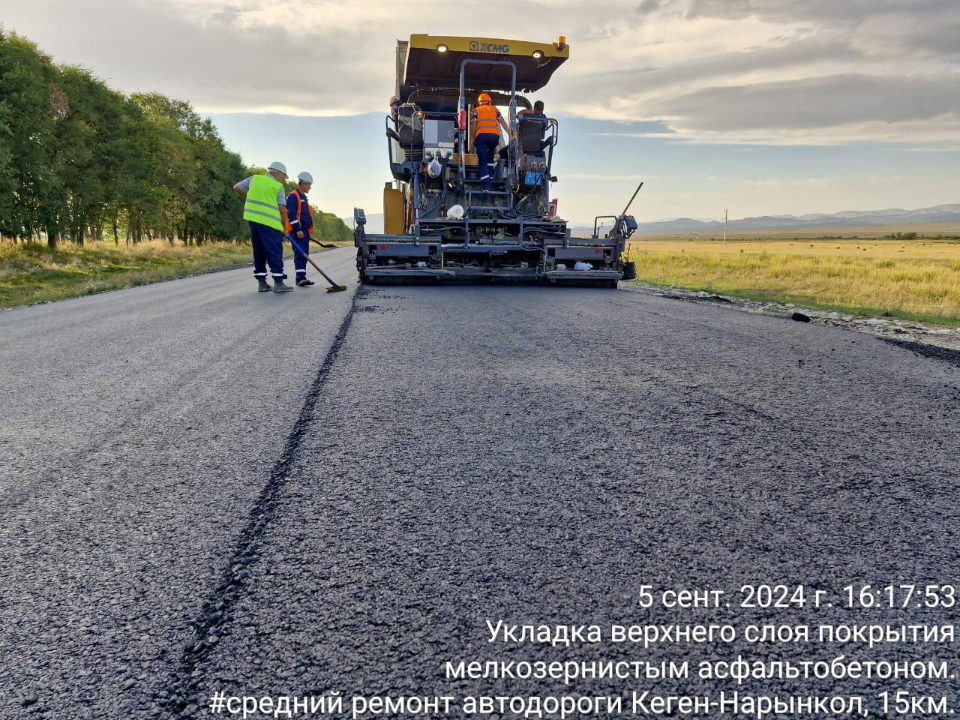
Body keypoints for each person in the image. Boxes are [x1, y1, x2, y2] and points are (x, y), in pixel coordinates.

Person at [233, 162, 293, 293]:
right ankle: (278, 283)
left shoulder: (254, 179)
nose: (284, 180)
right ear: (277, 173)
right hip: (270, 224)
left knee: (259, 251)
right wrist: (286, 227)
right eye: (284, 177)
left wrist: (253, 193)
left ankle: (262, 283)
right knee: (274, 251)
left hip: (253, 221)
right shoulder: (278, 186)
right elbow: (282, 208)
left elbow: (236, 188)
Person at [471, 92, 510, 190]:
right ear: (489, 102)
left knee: (483, 161)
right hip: (494, 138)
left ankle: (486, 185)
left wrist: (472, 139)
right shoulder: (495, 110)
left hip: (481, 138)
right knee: (490, 157)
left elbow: (473, 125)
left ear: (479, 103)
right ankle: (491, 176)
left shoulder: (476, 111)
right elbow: (502, 121)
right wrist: (510, 134)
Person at [286, 171, 315, 287]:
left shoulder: (303, 197)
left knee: (304, 254)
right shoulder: (294, 196)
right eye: (309, 185)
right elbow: (291, 214)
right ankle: (300, 279)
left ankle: (302, 277)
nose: (310, 187)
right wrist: (297, 229)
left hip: (304, 231)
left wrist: (308, 232)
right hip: (298, 231)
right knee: (300, 254)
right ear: (303, 183)